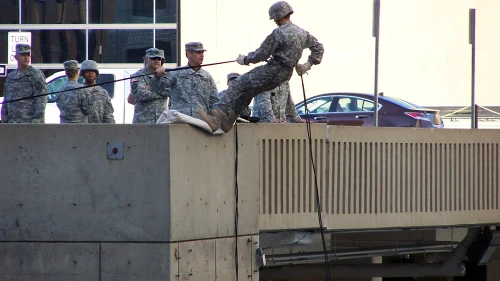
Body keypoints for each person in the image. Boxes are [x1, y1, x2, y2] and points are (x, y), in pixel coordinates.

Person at [199, 1, 323, 133]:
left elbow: (262, 53)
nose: (274, 21)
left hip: (273, 69)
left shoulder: (279, 33)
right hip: (285, 74)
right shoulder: (303, 33)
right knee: (249, 91)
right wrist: (306, 65)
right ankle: (229, 121)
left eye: (275, 18)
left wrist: (245, 59)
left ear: (278, 16)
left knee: (239, 84)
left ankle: (217, 117)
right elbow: (319, 48)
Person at [162, 42, 219, 120]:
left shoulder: (207, 76)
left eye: (202, 52)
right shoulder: (175, 73)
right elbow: (158, 88)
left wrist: (215, 117)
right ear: (189, 54)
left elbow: (215, 100)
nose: (202, 55)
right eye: (198, 52)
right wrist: (157, 77)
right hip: (179, 121)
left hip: (201, 122)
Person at [1, 44, 47, 123]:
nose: (26, 57)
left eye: (28, 55)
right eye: (22, 55)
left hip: (30, 123)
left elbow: (41, 98)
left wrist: (37, 120)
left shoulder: (36, 74)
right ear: (16, 57)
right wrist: (4, 119)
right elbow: (6, 99)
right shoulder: (10, 76)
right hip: (12, 123)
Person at [130, 48, 170, 123]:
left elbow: (169, 92)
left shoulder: (166, 76)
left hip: (161, 121)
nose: (157, 60)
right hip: (143, 122)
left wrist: (150, 87)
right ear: (146, 59)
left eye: (159, 58)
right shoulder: (137, 76)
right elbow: (140, 95)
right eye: (153, 58)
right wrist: (161, 91)